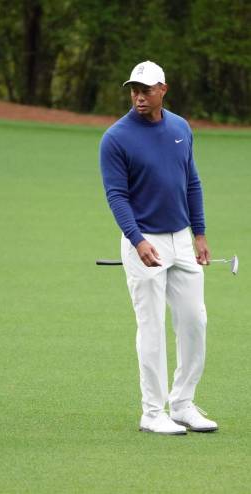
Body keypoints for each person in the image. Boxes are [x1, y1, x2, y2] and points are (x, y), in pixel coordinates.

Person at [99, 61, 218, 435]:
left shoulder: (180, 127)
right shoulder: (116, 138)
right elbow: (116, 196)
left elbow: (192, 182)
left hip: (182, 238)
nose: (138, 96)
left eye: (146, 89)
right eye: (134, 89)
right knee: (152, 327)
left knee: (195, 321)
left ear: (163, 89)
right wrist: (137, 240)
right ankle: (152, 412)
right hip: (143, 240)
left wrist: (199, 233)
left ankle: (182, 403)